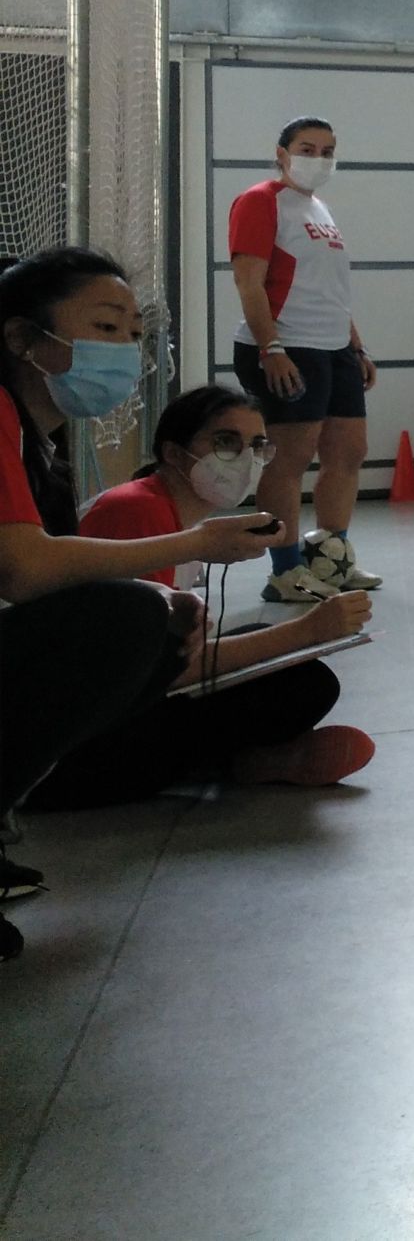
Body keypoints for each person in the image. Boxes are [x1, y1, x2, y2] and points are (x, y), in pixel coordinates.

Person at [0, 248, 282, 961]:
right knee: (132, 619)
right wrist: (195, 549)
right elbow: (25, 571)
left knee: (164, 627)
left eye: (133, 334)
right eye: (104, 327)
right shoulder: (127, 502)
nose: (124, 350)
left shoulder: (43, 444)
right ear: (24, 337)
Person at [41, 384, 376, 810]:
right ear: (175, 453)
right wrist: (306, 631)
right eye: (225, 442)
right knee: (302, 686)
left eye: (257, 445)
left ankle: (248, 761)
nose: (246, 459)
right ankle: (239, 762)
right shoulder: (137, 510)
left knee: (283, 664)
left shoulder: (177, 517)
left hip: (109, 703)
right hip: (68, 746)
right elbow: (152, 672)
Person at [230, 115, 384, 609]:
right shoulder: (260, 201)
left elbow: (330, 290)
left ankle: (331, 558)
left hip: (333, 348)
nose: (318, 158)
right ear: (281, 154)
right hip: (288, 347)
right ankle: (285, 570)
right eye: (307, 148)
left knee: (349, 451)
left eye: (327, 151)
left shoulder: (320, 209)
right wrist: (271, 348)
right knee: (291, 458)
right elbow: (249, 283)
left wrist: (356, 346)